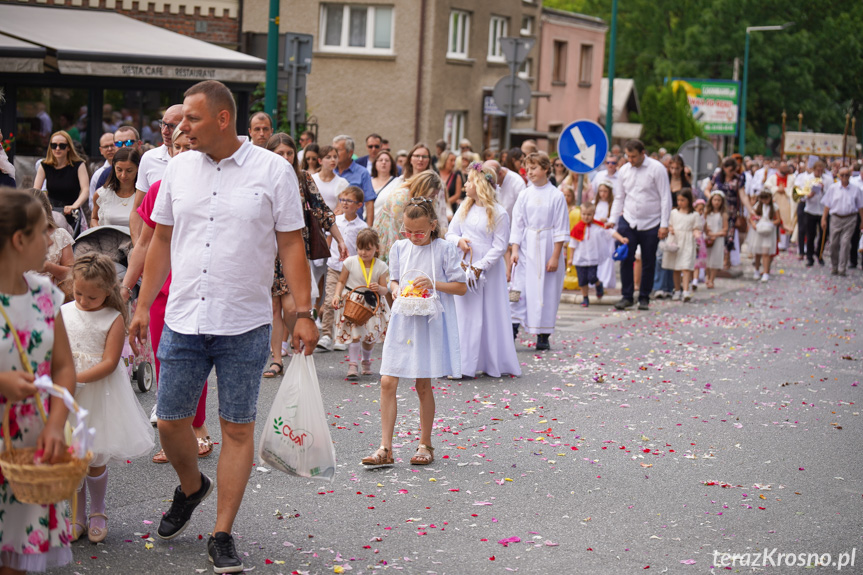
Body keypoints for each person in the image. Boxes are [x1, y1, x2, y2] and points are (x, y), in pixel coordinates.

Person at [128, 80, 318, 574]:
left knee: (236, 429)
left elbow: (292, 246)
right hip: (184, 317)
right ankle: (193, 488)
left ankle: (222, 532)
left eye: (189, 118)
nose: (178, 127)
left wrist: (303, 312)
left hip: (245, 323)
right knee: (169, 422)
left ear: (221, 119)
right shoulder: (178, 170)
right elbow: (160, 241)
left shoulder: (273, 171)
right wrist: (141, 305)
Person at [121, 126, 213, 460]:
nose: (182, 153)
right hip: (160, 289)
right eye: (176, 148)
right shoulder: (160, 188)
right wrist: (126, 289)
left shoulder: (214, 189)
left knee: (196, 361)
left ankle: (198, 427)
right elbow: (144, 244)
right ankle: (174, 434)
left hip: (197, 289)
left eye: (189, 147)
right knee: (165, 362)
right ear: (169, 152)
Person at [0, 188, 77, 574]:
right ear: (19, 240)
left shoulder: (46, 295)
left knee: (16, 548)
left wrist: (54, 424)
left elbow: (64, 367)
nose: (51, 238)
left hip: (30, 443)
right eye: (43, 231)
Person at [361, 198, 466, 467]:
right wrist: (394, 289)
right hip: (403, 317)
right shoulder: (399, 247)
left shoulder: (444, 249)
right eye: (408, 231)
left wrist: (433, 283)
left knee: (422, 385)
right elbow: (394, 279)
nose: (413, 237)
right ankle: (385, 447)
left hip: (428, 321)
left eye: (419, 232)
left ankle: (425, 442)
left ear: (432, 226)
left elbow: (461, 287)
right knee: (387, 381)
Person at [62, 254, 154, 543]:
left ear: (107, 292)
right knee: (71, 456)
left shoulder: (113, 318)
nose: (83, 300)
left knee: (94, 456)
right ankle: (76, 514)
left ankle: (98, 512)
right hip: (67, 395)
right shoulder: (63, 312)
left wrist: (77, 379)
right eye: (78, 293)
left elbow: (110, 362)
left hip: (95, 393)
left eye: (92, 296)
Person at [266, 133, 347, 366]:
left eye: (289, 153)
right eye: (279, 153)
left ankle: (297, 341)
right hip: (268, 250)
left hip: (294, 250)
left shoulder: (302, 178)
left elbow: (322, 210)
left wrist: (340, 239)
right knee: (273, 307)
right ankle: (277, 360)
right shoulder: (262, 178)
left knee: (291, 309)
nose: (285, 157)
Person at [446, 163, 520, 378]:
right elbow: (450, 233)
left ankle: (483, 362)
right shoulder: (465, 207)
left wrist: (480, 267)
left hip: (486, 270)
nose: (465, 185)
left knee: (486, 315)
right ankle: (460, 363)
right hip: (465, 265)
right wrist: (459, 240)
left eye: (469, 181)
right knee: (464, 315)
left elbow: (499, 246)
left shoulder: (499, 213)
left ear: (479, 185)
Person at [510, 152, 569, 350]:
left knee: (547, 290)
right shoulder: (524, 194)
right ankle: (512, 329)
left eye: (534, 168)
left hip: (547, 247)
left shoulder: (556, 195)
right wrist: (515, 250)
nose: (530, 172)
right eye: (528, 168)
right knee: (519, 289)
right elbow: (517, 224)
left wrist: (555, 256)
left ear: (545, 169)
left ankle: (543, 334)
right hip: (526, 246)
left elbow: (561, 228)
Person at [609, 139, 672, 311]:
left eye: (634, 156)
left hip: (652, 222)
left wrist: (664, 224)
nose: (630, 160)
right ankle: (627, 296)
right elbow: (619, 197)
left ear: (643, 152)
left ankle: (644, 297)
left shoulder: (657, 169)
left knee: (648, 260)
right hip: (629, 220)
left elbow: (665, 197)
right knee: (626, 258)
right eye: (628, 156)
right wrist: (613, 219)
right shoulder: (624, 170)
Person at [332, 228, 391, 377]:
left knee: (369, 336)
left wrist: (379, 288)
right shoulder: (350, 262)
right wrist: (337, 295)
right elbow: (341, 281)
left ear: (376, 248)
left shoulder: (380, 266)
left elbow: (385, 290)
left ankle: (366, 360)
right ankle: (353, 365)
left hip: (371, 303)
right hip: (353, 301)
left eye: (368, 249)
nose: (363, 252)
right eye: (360, 248)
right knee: (355, 334)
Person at [319, 187, 368, 353]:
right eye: (343, 200)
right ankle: (326, 334)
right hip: (334, 267)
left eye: (349, 201)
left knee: (348, 304)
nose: (345, 204)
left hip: (352, 271)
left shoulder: (362, 226)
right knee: (330, 300)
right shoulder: (336, 221)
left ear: (359, 205)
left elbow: (363, 248)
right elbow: (329, 239)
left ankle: (341, 335)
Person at [375, 169, 445, 263]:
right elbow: (397, 230)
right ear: (424, 189)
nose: (433, 198)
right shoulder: (400, 198)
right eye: (432, 195)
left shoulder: (427, 199)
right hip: (391, 235)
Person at [569, 203, 627, 307]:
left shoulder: (598, 225)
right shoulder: (578, 227)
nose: (586, 217)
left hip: (592, 257)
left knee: (592, 277)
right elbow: (572, 244)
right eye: (584, 214)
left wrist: (621, 238)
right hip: (580, 258)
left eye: (589, 214)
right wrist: (570, 258)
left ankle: (598, 284)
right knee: (582, 280)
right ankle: (585, 298)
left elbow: (610, 232)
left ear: (593, 214)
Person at [33, 130, 90, 230]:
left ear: (68, 147)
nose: (57, 149)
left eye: (62, 146)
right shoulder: (44, 166)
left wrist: (74, 206)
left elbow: (85, 190)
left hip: (72, 212)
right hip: (51, 212)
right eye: (54, 145)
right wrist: (45, 204)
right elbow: (36, 190)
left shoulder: (78, 165)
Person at [30, 189, 74, 300]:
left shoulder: (60, 235)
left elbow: (72, 273)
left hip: (54, 295)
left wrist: (50, 267)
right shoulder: (15, 238)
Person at [822, 168, 863, 277]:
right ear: (839, 176)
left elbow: (860, 207)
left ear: (850, 176)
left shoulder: (856, 189)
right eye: (842, 175)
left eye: (846, 175)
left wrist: (862, 220)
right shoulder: (833, 188)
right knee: (833, 244)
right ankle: (834, 265)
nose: (844, 177)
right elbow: (827, 205)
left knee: (845, 243)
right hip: (835, 218)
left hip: (850, 218)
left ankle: (842, 268)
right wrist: (824, 218)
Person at [662, 189, 700, 301]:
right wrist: (670, 229)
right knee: (676, 268)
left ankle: (686, 291)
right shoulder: (674, 213)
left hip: (688, 241)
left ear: (689, 200)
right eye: (678, 200)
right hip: (676, 241)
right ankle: (677, 290)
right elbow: (669, 224)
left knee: (686, 266)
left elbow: (697, 227)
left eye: (682, 200)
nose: (680, 202)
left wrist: (696, 233)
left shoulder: (694, 215)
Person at [91, 147, 140, 229]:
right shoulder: (102, 194)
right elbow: (94, 219)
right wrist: (99, 230)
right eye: (119, 170)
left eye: (129, 171)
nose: (123, 175)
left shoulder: (144, 196)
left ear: (138, 168)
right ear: (114, 167)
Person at [334, 135, 376, 224]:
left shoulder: (362, 173)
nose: (334, 153)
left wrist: (368, 229)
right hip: (330, 227)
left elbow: (369, 203)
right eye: (333, 149)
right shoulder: (330, 172)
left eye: (338, 150)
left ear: (350, 153)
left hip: (354, 226)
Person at [796, 160, 832, 266]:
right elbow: (801, 195)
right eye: (818, 170)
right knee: (810, 234)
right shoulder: (807, 179)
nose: (820, 172)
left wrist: (822, 190)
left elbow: (830, 195)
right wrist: (809, 195)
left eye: (822, 170)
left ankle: (819, 253)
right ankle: (810, 257)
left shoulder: (828, 179)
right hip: (810, 210)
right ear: (814, 169)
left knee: (824, 234)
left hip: (822, 211)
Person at [747, 190, 781, 282]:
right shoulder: (757, 206)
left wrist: (770, 223)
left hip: (768, 232)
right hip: (758, 231)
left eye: (766, 198)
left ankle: (766, 272)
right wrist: (754, 224)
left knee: (766, 253)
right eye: (763, 198)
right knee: (757, 252)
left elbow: (778, 220)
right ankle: (756, 270)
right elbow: (751, 218)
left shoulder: (774, 207)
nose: (765, 201)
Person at [764, 161, 795, 251]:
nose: (785, 169)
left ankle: (784, 243)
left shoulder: (791, 178)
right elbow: (767, 186)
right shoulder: (773, 177)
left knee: (785, 222)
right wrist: (777, 189)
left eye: (786, 167)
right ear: (779, 168)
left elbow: (793, 189)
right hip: (776, 201)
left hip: (786, 202)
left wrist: (784, 190)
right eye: (783, 167)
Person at [593, 181, 616, 289]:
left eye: (605, 191)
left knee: (607, 258)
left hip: (608, 235)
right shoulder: (595, 204)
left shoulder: (612, 205)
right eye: (601, 191)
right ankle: (596, 280)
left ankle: (606, 281)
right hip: (597, 235)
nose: (603, 194)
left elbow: (615, 220)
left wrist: (607, 220)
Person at [313, 144, 350, 213]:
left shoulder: (342, 183)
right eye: (328, 157)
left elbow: (340, 209)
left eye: (335, 157)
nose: (333, 160)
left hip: (334, 221)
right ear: (320, 161)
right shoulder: (311, 179)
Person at [704, 191, 729, 288]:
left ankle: (711, 279)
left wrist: (715, 234)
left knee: (715, 258)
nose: (716, 202)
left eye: (719, 200)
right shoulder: (707, 213)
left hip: (717, 238)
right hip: (708, 237)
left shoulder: (723, 214)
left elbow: (725, 229)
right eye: (715, 200)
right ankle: (707, 276)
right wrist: (708, 233)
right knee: (707, 258)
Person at [89, 133, 117, 209]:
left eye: (112, 145)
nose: (110, 149)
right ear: (101, 150)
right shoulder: (98, 175)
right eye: (106, 146)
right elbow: (92, 202)